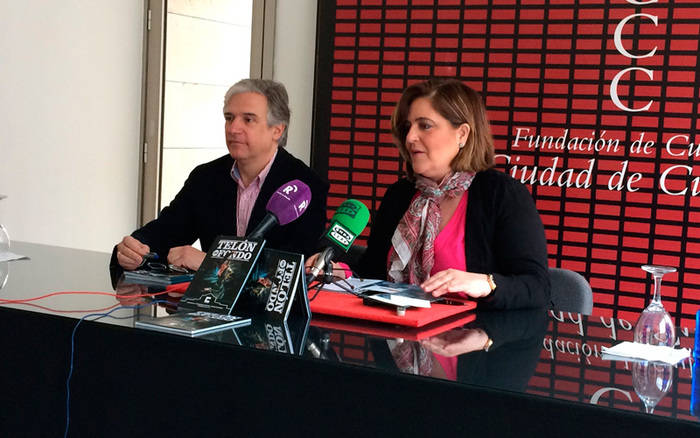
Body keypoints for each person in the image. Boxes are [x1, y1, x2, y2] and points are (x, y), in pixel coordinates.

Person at [307, 78, 549, 309]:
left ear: (462, 134)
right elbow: (375, 274)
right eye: (408, 127)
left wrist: (485, 283)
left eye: (425, 125)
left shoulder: (502, 195)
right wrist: (342, 275)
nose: (410, 137)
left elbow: (536, 287)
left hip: (475, 336)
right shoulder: (398, 195)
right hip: (397, 333)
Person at [111, 79, 329, 280]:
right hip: (207, 304)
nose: (233, 129)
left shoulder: (305, 186)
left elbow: (292, 267)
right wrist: (134, 249)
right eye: (229, 118)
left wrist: (210, 263)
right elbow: (166, 232)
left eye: (248, 119)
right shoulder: (205, 177)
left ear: (277, 130)